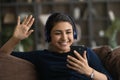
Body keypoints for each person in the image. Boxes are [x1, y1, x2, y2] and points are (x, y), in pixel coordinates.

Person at [0, 12, 113, 80]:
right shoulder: (40, 56)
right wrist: (15, 39)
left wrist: (89, 71)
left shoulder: (84, 53)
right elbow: (3, 57)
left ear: (74, 34)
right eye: (58, 33)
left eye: (68, 32)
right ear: (49, 36)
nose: (64, 38)